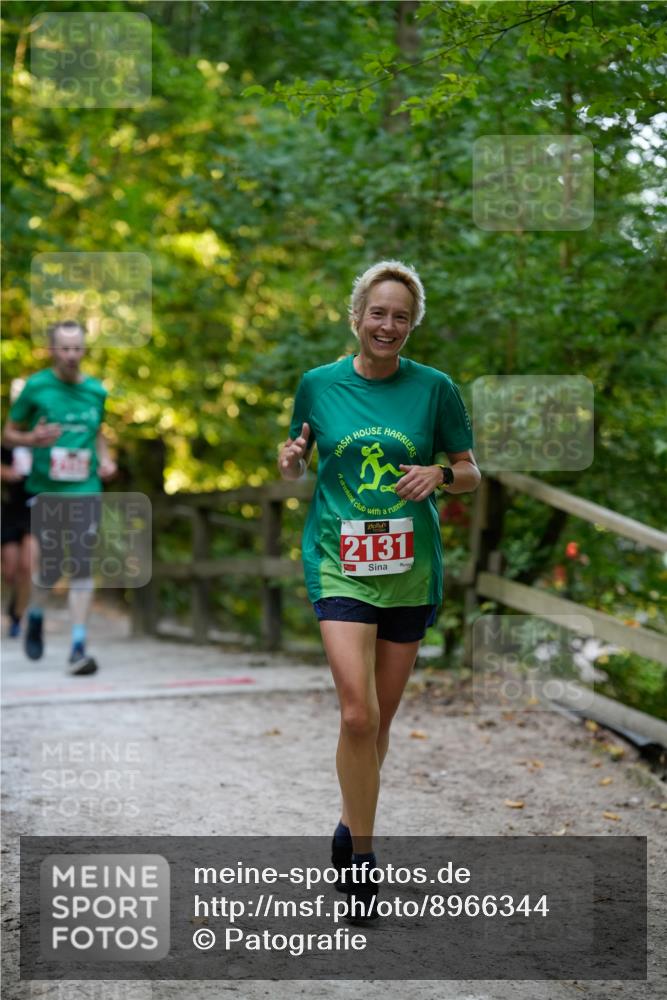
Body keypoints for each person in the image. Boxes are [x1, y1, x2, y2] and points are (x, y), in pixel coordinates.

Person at [278, 260, 480, 922]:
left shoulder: (434, 389)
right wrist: (289, 461)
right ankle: (362, 858)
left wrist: (439, 476)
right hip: (339, 560)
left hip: (409, 568)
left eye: (400, 316)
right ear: (356, 317)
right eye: (377, 313)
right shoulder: (318, 384)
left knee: (381, 721)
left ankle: (348, 821)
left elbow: (470, 471)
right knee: (357, 716)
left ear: (411, 324)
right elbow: (299, 454)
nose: (387, 325)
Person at [3, 320, 117, 675]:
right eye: (64, 348)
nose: (71, 355)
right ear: (52, 350)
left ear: (84, 349)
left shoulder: (96, 391)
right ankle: (35, 613)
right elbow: (8, 434)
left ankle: (78, 647)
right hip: (46, 489)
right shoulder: (36, 387)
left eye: (77, 348)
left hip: (85, 488)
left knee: (82, 564)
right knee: (47, 569)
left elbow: (97, 433)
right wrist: (31, 439)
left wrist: (107, 458)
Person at [1, 380, 35, 637]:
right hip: (11, 507)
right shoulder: (8, 438)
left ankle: (18, 617)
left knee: (27, 566)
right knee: (10, 570)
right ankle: (11, 607)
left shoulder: (44, 434)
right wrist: (7, 473)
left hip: (36, 507)